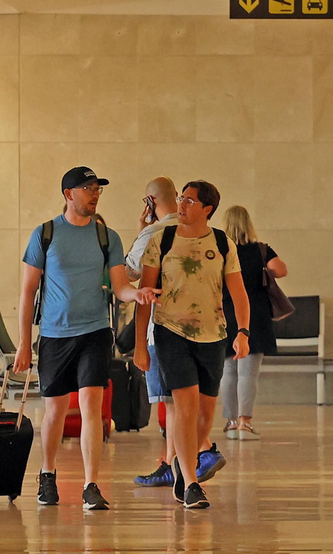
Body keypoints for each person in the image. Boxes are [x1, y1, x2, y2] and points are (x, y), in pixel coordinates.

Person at [13, 166, 155, 512]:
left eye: (97, 189)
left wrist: (136, 294)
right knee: (55, 410)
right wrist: (24, 344)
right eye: (88, 188)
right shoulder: (45, 234)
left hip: (95, 332)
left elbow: (120, 286)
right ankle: (48, 474)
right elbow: (28, 291)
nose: (94, 195)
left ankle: (91, 484)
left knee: (92, 405)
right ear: (69, 194)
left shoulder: (107, 237)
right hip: (54, 335)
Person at [133, 180, 250, 510]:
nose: (181, 205)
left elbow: (239, 294)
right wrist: (141, 344)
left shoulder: (223, 243)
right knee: (184, 407)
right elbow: (145, 297)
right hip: (171, 333)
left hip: (213, 335)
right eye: (181, 199)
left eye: (189, 201)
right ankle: (191, 482)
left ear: (207, 209)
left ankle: (182, 466)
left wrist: (243, 332)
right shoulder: (162, 240)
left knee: (204, 415)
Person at [126, 177, 223, 488]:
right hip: (197, 333)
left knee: (173, 403)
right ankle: (178, 462)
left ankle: (195, 454)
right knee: (182, 403)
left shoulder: (156, 234)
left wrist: (141, 229)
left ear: (150, 202)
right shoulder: (190, 231)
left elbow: (129, 272)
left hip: (164, 331)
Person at [219, 205, 286, 441]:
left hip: (225, 314)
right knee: (248, 372)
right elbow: (280, 270)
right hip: (254, 315)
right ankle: (245, 424)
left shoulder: (220, 250)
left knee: (228, 370)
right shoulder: (260, 250)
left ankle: (231, 422)